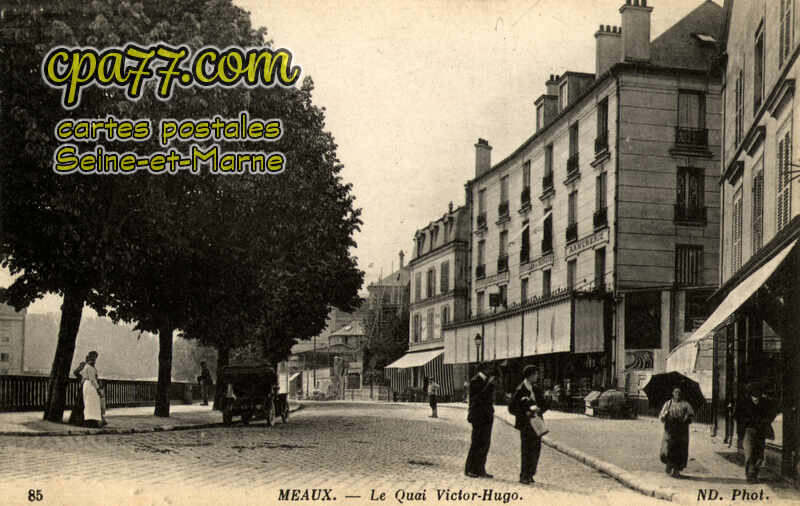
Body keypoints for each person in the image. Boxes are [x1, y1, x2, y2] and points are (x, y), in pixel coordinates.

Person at [509, 365, 548, 484]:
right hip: (526, 423)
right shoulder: (520, 389)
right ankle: (524, 475)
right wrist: (525, 413)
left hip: (537, 423)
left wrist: (540, 409)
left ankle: (531, 473)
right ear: (529, 375)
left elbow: (544, 404)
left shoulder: (536, 388)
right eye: (535, 374)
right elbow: (512, 408)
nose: (537, 376)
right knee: (526, 449)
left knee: (536, 449)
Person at [735, 384, 776, 483]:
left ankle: (754, 474)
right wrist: (745, 423)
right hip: (748, 430)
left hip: (761, 431)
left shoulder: (766, 402)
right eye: (755, 391)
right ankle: (750, 476)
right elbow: (737, 416)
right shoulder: (743, 403)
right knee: (749, 454)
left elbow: (773, 412)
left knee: (760, 455)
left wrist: (766, 421)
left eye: (759, 391)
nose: (757, 393)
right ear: (751, 392)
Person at [464, 362, 495, 478]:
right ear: (484, 369)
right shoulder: (475, 381)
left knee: (485, 443)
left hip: (487, 415)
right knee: (476, 442)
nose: (490, 371)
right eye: (489, 368)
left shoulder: (487, 381)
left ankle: (480, 468)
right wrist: (489, 385)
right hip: (478, 416)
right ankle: (469, 469)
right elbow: (478, 398)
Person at [659, 387, 694, 478]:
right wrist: (665, 415)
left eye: (679, 393)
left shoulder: (686, 404)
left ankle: (676, 470)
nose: (677, 394)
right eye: (676, 392)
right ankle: (669, 466)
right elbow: (661, 417)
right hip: (670, 430)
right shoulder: (668, 404)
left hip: (681, 430)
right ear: (673, 393)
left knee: (680, 450)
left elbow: (691, 416)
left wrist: (687, 417)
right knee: (669, 448)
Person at [81, 351, 104, 428]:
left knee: (89, 403)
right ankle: (91, 422)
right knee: (91, 404)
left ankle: (91, 421)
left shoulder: (87, 366)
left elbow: (83, 378)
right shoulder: (90, 367)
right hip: (91, 386)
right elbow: (93, 380)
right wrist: (98, 389)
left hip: (87, 385)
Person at [67, 358, 88, 426]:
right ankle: (79, 420)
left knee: (82, 405)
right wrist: (82, 367)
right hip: (83, 389)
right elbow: (75, 372)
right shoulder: (84, 366)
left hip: (86, 388)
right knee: (80, 405)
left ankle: (80, 420)